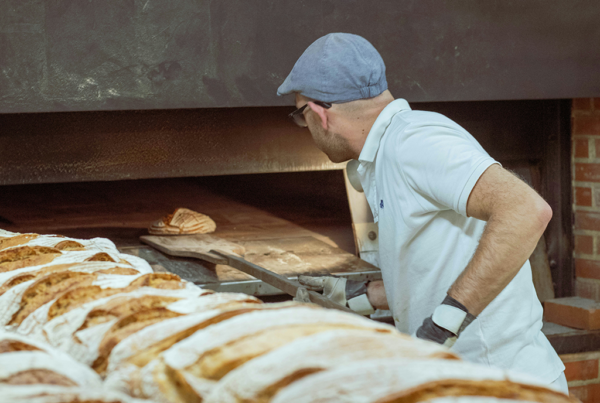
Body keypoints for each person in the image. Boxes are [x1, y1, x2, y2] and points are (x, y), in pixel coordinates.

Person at [277, 33, 567, 393]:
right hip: (461, 383)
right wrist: (359, 295)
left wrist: (443, 324)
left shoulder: (414, 142)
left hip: (498, 386)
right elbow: (437, 263)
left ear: (320, 114)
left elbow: (527, 209)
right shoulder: (384, 153)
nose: (305, 128)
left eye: (300, 115)